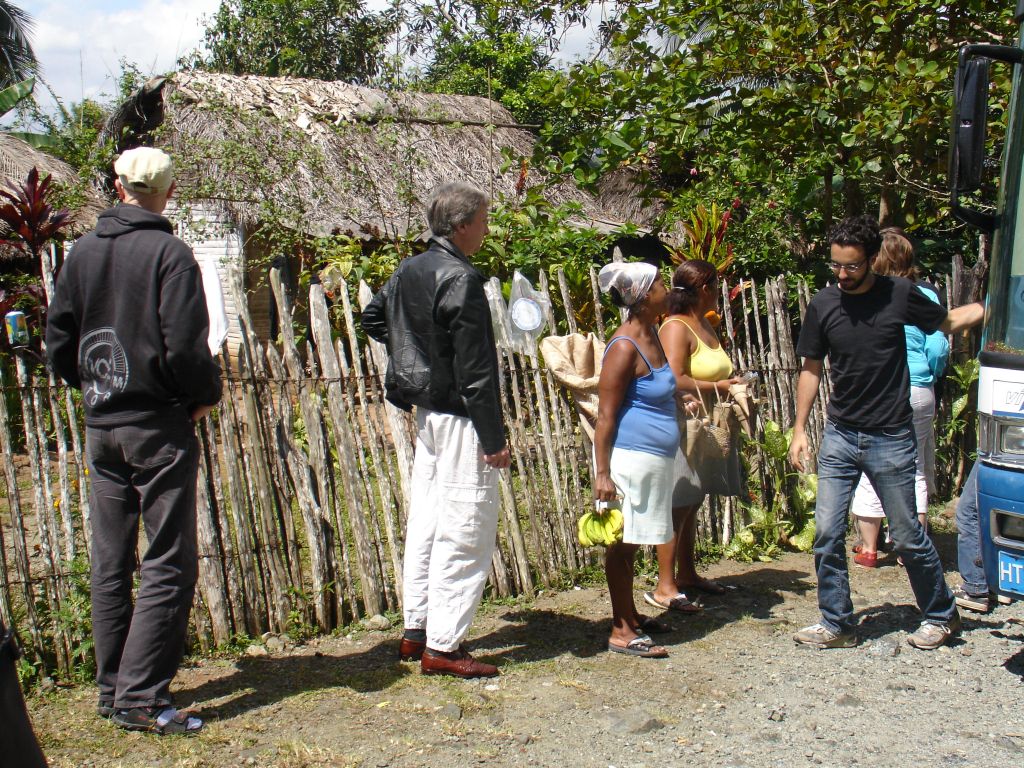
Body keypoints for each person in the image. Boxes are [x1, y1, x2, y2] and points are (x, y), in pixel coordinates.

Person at [46, 147, 222, 733]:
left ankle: (113, 688)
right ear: (167, 192)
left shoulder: (81, 253)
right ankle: (142, 699)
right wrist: (202, 395)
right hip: (156, 424)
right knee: (168, 558)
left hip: (102, 426)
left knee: (110, 558)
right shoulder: (170, 254)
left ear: (117, 187)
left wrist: (93, 386)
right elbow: (185, 346)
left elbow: (59, 341)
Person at [788, 214, 983, 650]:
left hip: (891, 437)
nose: (842, 275)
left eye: (852, 266)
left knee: (909, 536)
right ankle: (837, 623)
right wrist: (800, 429)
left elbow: (946, 323)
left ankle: (941, 614)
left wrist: (989, 307)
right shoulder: (823, 304)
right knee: (825, 534)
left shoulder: (899, 294)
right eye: (835, 266)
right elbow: (811, 368)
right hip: (840, 433)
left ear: (873, 260)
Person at [361, 182, 511, 679]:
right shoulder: (461, 278)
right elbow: (477, 372)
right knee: (466, 524)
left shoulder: (411, 267)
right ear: (463, 225)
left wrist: (415, 358)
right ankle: (444, 647)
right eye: (484, 220)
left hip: (427, 412)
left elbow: (374, 317)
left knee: (426, 519)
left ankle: (417, 630)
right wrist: (494, 439)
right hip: (462, 417)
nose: (487, 228)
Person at [849, 228, 949, 567]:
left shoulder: (866, 295)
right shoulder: (924, 295)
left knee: (868, 464)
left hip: (876, 390)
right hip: (918, 389)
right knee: (916, 468)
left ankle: (869, 547)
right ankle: (913, 550)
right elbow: (937, 345)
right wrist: (929, 374)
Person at [593, 261, 679, 658]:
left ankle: (630, 615)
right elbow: (606, 416)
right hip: (631, 460)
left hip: (655, 459)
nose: (667, 287)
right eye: (661, 282)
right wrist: (603, 473)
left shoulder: (653, 335)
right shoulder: (624, 346)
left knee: (637, 539)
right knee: (624, 544)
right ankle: (621, 630)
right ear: (644, 296)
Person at [653, 260, 743, 607]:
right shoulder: (676, 328)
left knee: (694, 499)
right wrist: (719, 384)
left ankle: (687, 573)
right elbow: (672, 378)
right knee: (679, 501)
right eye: (717, 285)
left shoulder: (704, 324)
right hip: (682, 422)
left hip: (706, 422)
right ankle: (665, 584)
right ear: (705, 288)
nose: (720, 291)